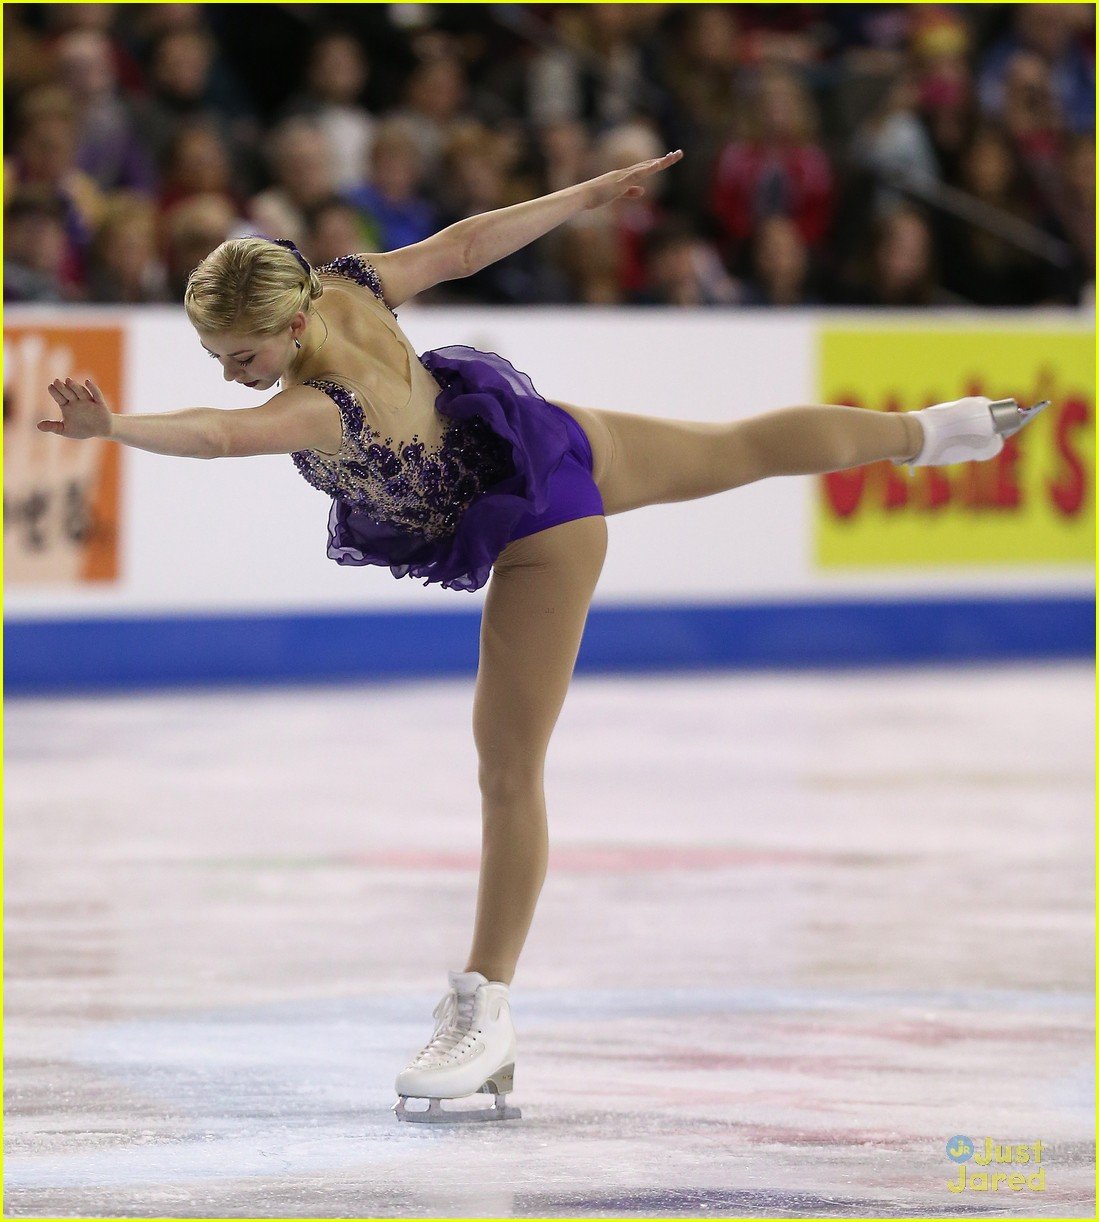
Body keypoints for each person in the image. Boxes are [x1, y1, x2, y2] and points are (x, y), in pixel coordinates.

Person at [39, 148, 1048, 1124]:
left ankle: (486, 1004)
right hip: (538, 434)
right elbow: (468, 245)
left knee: (507, 769)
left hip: (535, 524)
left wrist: (113, 429)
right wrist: (587, 191)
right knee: (735, 447)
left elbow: (217, 437)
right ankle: (942, 431)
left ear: (296, 323)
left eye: (243, 356)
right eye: (217, 359)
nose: (230, 375)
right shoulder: (348, 282)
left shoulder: (316, 407)